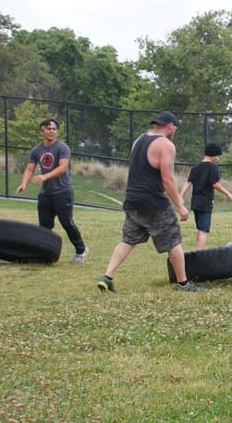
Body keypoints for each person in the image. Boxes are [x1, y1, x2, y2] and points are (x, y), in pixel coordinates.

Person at [96, 111, 204, 293]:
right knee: (174, 241)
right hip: (153, 202)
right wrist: (180, 204)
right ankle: (183, 284)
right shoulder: (165, 144)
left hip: (132, 200)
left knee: (129, 240)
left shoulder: (139, 140)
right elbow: (167, 179)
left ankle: (107, 276)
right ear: (170, 126)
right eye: (175, 128)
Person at [15, 118, 88, 262]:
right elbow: (29, 169)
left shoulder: (62, 147)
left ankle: (81, 250)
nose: (52, 131)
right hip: (45, 195)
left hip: (62, 192)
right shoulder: (36, 150)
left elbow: (62, 167)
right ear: (42, 131)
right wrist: (24, 183)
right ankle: (44, 254)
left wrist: (44, 176)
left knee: (67, 223)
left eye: (54, 129)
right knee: (44, 226)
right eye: (49, 128)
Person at [179, 142, 232, 250]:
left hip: (195, 202)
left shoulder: (195, 167)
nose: (218, 158)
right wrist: (227, 193)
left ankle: (197, 250)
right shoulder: (212, 168)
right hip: (205, 203)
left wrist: (181, 196)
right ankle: (199, 255)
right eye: (218, 156)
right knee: (203, 231)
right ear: (213, 155)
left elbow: (188, 182)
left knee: (200, 229)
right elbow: (215, 184)